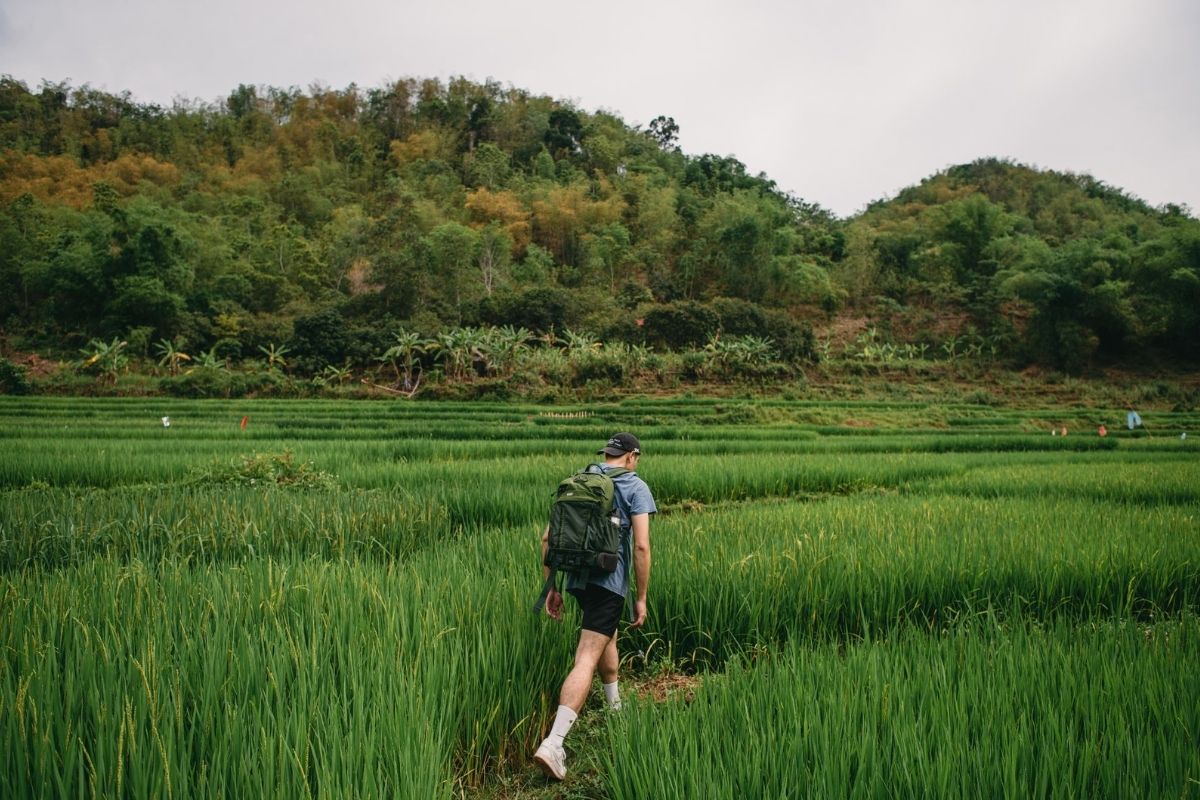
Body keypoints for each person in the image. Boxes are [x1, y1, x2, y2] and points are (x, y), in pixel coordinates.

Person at [533, 432, 657, 781]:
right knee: (587, 654)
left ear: (607, 454)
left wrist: (551, 587)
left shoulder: (582, 478)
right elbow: (642, 548)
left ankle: (615, 709)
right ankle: (554, 743)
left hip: (576, 579)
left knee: (606, 637)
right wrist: (641, 597)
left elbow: (547, 538)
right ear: (632, 456)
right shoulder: (635, 486)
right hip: (608, 584)